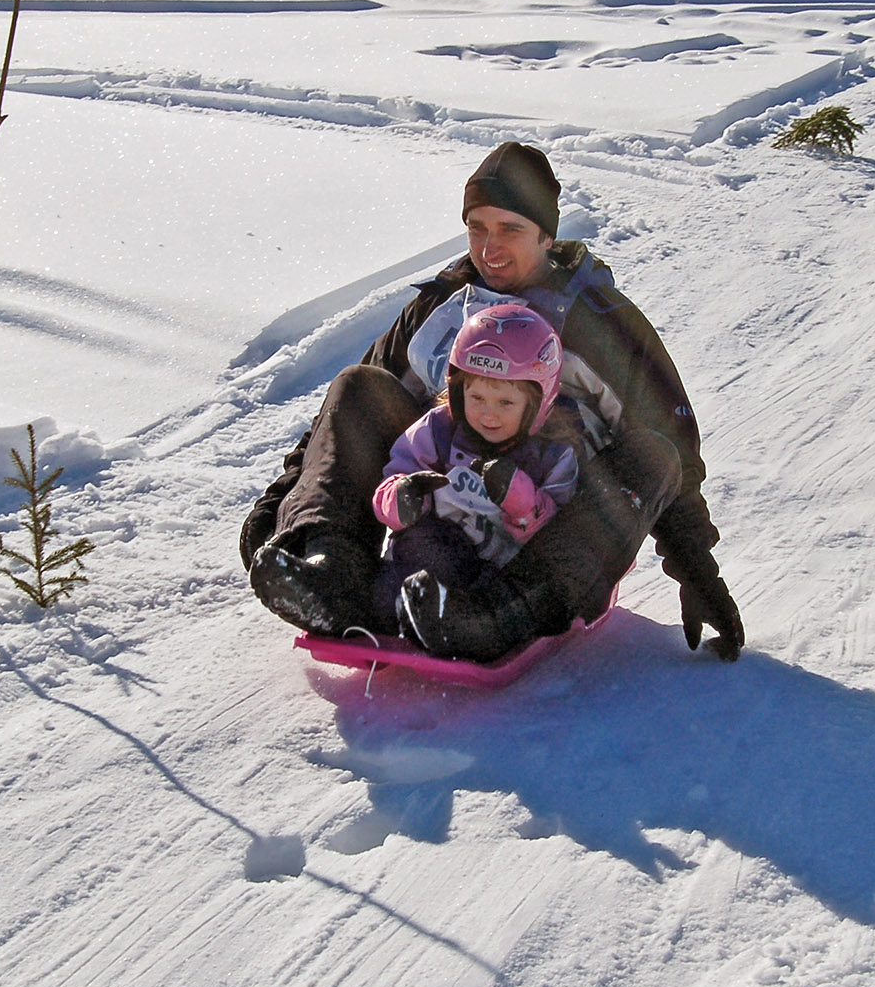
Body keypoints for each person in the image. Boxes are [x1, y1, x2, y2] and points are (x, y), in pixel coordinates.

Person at [243, 140, 744, 661]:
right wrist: (283, 505)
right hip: (442, 517)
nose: (489, 248)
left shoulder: (602, 324)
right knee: (359, 383)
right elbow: (345, 417)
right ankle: (333, 574)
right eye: (477, 228)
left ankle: (495, 616)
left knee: (654, 454)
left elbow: (671, 447)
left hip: (554, 526)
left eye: (510, 229)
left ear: (547, 235)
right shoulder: (442, 304)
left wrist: (696, 567)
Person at [370, 303, 580, 651]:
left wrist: (523, 502)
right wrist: (402, 498)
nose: (488, 415)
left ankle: (446, 621)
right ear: (457, 390)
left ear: (538, 402)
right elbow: (389, 485)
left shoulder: (552, 456)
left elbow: (560, 536)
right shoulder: (437, 429)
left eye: (505, 403)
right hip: (429, 556)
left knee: (491, 588)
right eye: (477, 397)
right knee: (405, 562)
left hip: (496, 577)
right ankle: (369, 609)